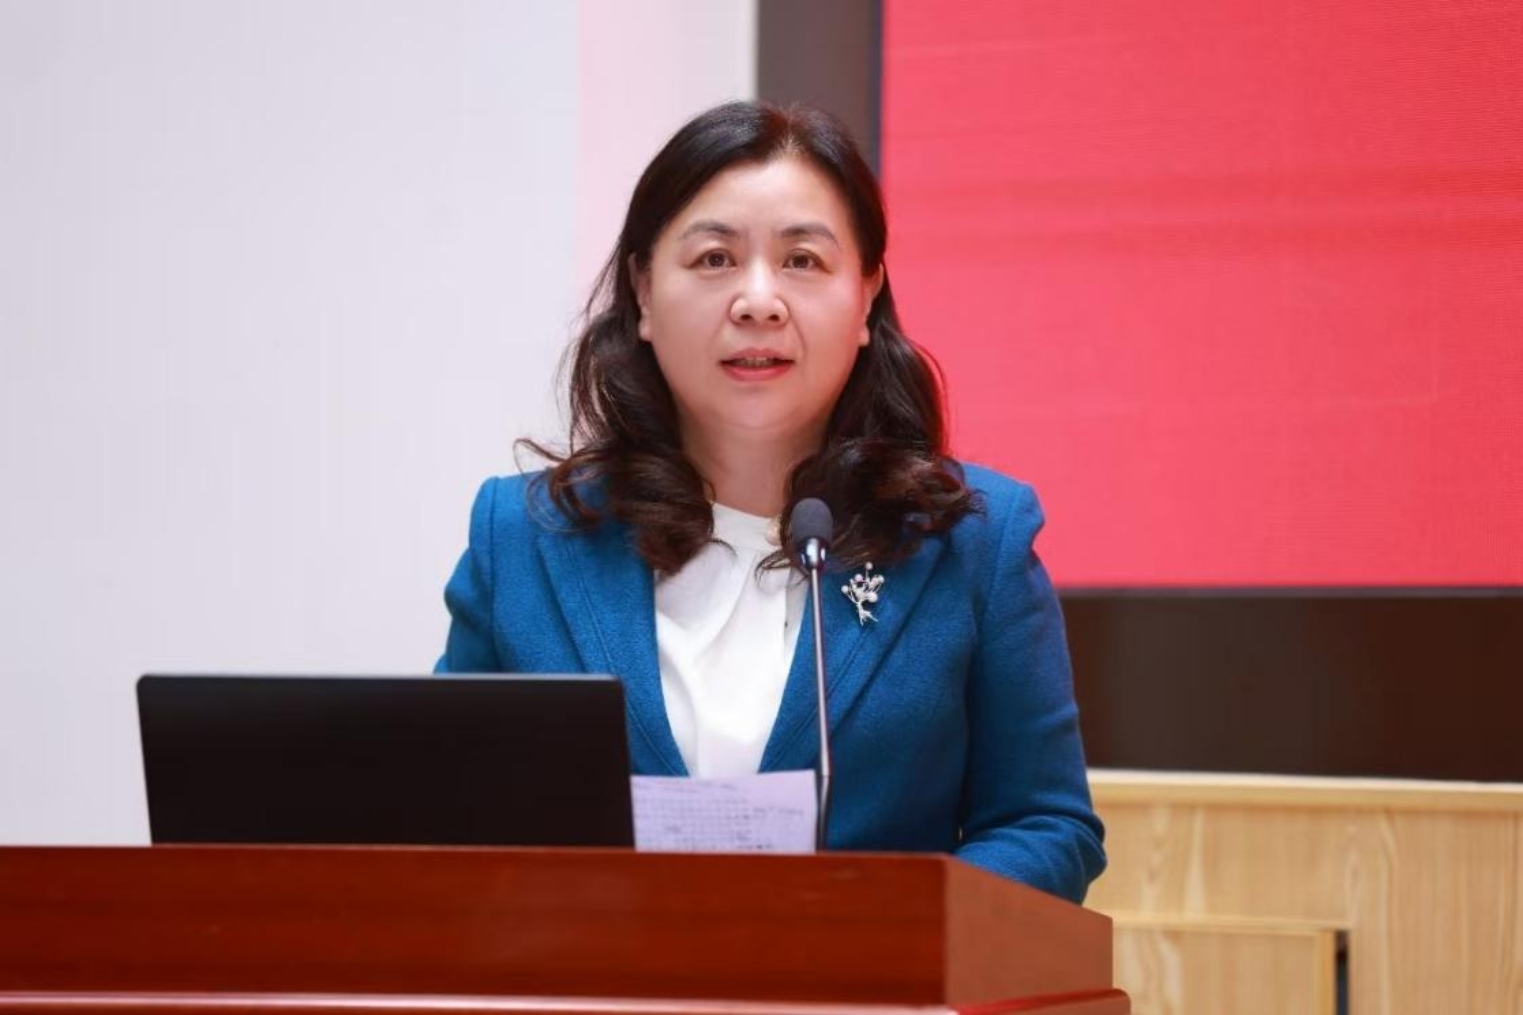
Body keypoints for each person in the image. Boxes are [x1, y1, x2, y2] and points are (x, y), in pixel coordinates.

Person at [436, 101, 1106, 903]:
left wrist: (883, 927)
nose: (758, 300)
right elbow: (446, 812)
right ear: (643, 292)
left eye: (802, 260)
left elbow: (1045, 826)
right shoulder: (524, 538)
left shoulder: (971, 542)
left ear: (866, 297)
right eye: (715, 258)